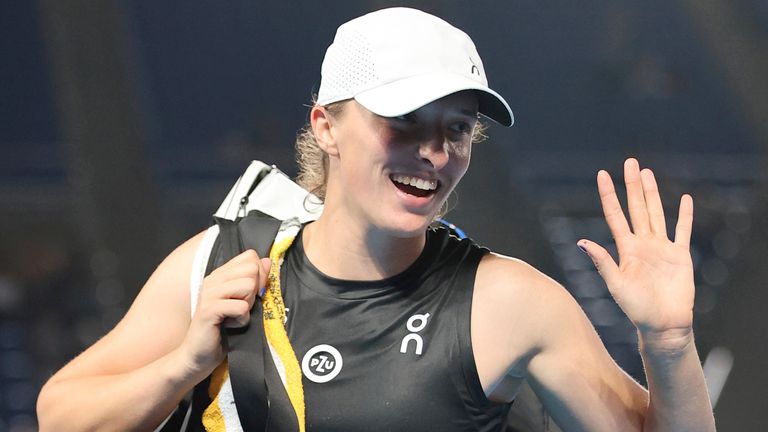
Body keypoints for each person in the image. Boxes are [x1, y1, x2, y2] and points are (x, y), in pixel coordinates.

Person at [37, 7, 716, 432]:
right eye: (403, 123)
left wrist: (670, 341)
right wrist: (183, 363)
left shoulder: (505, 300)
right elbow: (59, 416)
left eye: (457, 128)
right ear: (325, 126)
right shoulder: (222, 264)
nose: (435, 152)